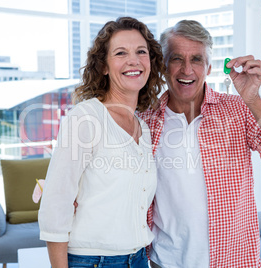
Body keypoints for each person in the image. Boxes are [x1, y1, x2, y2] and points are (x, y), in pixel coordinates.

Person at [138, 20, 261, 268]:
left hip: (233, 260)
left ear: (209, 67)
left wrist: (253, 100)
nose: (187, 70)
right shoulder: (144, 119)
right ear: (163, 66)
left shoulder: (238, 110)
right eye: (176, 58)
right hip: (164, 261)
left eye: (196, 59)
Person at [38, 17, 165, 268]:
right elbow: (56, 203)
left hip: (139, 258)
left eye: (141, 52)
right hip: (93, 261)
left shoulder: (144, 128)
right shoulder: (85, 118)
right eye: (120, 53)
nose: (133, 60)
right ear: (104, 66)